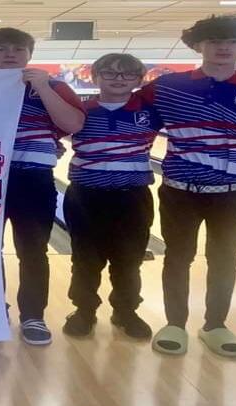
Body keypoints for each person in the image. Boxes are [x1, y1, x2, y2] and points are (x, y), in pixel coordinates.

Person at [137, 14, 236, 358]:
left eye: (232, 41)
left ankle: (215, 325)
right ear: (198, 45)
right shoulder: (167, 86)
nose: (224, 47)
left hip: (233, 194)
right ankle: (175, 323)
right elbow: (125, 110)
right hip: (178, 189)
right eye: (215, 41)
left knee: (224, 259)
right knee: (177, 256)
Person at [0, 27, 86, 345]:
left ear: (29, 54)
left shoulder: (54, 86)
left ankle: (33, 316)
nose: (10, 53)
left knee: (33, 251)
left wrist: (42, 86)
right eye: (0, 48)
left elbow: (73, 125)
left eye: (18, 48)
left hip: (33, 179)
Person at [63, 53, 161, 342]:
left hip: (132, 197)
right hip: (85, 196)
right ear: (94, 77)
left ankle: (125, 311)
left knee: (129, 260)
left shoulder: (151, 110)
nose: (119, 80)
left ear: (138, 80)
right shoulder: (78, 110)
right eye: (110, 73)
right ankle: (84, 311)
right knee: (85, 259)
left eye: (127, 74)